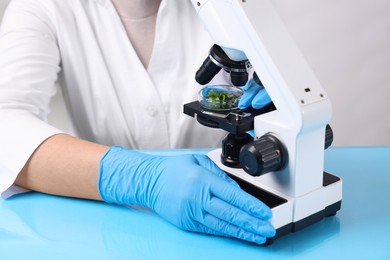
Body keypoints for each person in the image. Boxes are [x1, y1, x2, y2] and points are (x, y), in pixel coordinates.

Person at [0, 0, 274, 244]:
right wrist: (136, 177)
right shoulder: (42, 7)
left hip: (231, 200)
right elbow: (5, 120)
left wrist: (286, 92)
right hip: (109, 229)